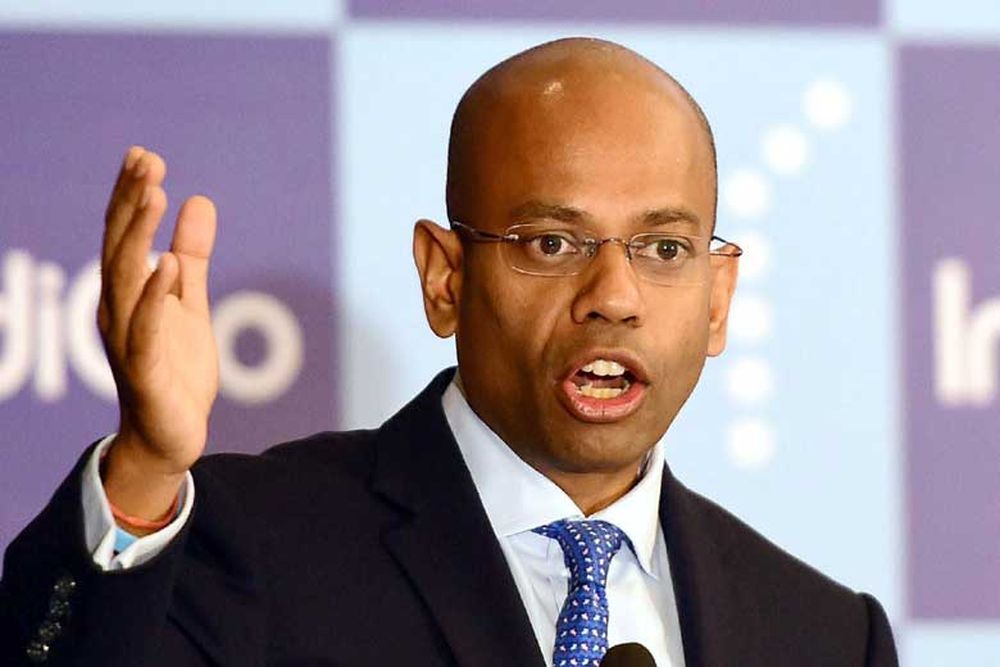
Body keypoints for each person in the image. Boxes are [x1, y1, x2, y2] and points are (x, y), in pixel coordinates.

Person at [0, 38, 897, 666]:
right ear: (444, 277)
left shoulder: (825, 636)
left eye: (664, 249)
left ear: (718, 299)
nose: (615, 296)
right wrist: (147, 468)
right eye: (552, 242)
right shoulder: (251, 543)